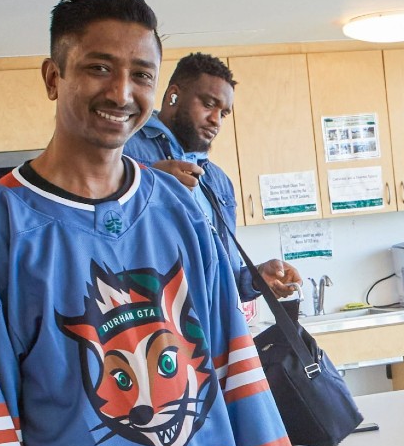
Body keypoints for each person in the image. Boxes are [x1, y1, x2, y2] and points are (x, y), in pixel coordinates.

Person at [0, 0, 304, 446]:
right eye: (98, 68)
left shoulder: (181, 211)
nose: (121, 92)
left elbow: (236, 367)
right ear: (52, 77)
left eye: (141, 75)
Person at [123, 52, 300, 304]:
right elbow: (96, 233)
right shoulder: (122, 150)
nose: (216, 120)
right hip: (152, 323)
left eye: (223, 113)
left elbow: (227, 277)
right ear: (174, 95)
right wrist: (145, 182)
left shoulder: (218, 181)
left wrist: (259, 277)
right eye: (208, 104)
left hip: (215, 330)